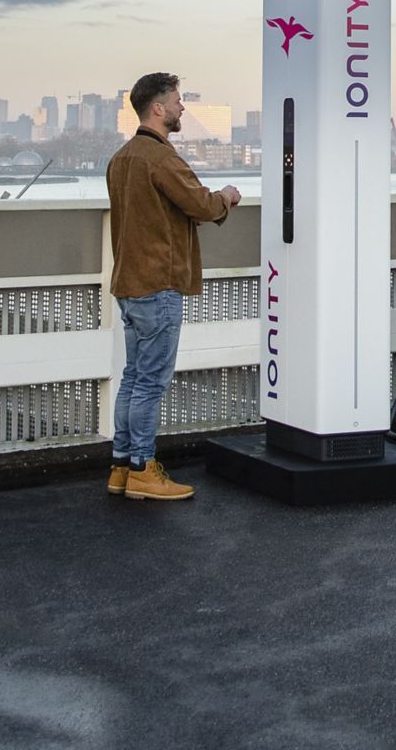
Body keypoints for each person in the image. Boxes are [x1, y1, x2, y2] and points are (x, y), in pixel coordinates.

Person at [105, 73, 241, 500]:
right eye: (178, 101)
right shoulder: (161, 159)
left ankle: (122, 466)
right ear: (158, 109)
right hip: (158, 284)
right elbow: (199, 204)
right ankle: (144, 468)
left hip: (128, 283)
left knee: (132, 377)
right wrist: (228, 196)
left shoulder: (121, 158)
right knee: (150, 382)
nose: (183, 108)